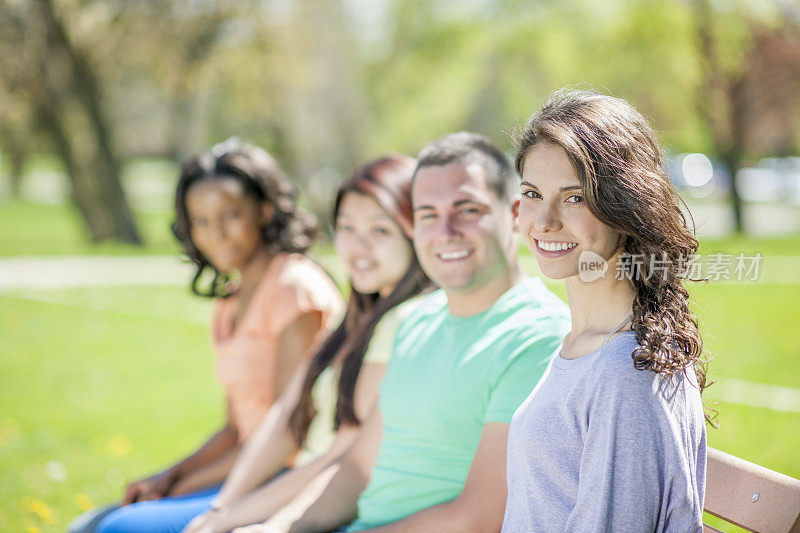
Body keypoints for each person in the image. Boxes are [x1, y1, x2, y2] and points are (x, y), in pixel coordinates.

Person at [239, 132, 571, 533]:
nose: (445, 231)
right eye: (428, 214)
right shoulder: (416, 321)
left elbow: (479, 517)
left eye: (467, 210)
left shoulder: (539, 337)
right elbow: (358, 467)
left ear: (515, 214)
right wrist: (278, 528)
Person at [70, 139, 344, 533]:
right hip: (244, 469)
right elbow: (235, 429)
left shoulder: (294, 289)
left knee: (119, 528)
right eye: (200, 220)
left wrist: (180, 485)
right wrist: (167, 476)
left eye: (230, 214)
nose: (215, 232)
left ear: (265, 210)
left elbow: (287, 436)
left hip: (283, 479)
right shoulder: (229, 303)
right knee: (89, 524)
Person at [178, 154, 433, 533]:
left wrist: (231, 520)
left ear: (414, 232)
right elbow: (284, 416)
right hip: (291, 489)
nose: (358, 247)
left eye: (379, 231)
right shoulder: (357, 318)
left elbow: (341, 456)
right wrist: (221, 508)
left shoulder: (405, 321)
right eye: (346, 228)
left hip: (322, 501)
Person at [501, 90, 709, 531]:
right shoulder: (584, 343)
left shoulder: (625, 372)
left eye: (575, 197)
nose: (545, 220)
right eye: (533, 193)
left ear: (626, 206)